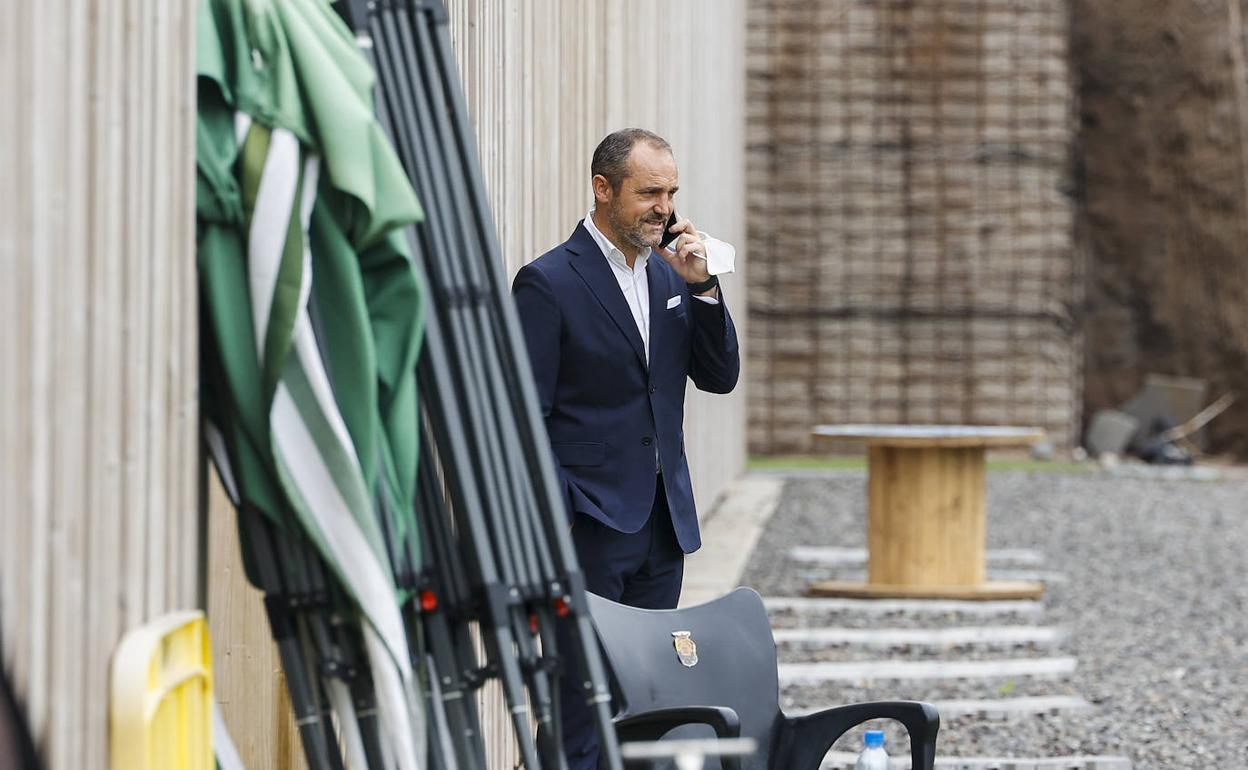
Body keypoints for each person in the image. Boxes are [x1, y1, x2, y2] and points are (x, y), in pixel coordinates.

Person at [512, 128, 741, 768]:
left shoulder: (672, 275)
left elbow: (719, 376)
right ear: (603, 189)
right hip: (589, 526)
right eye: (649, 193)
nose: (663, 208)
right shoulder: (548, 282)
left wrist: (703, 288)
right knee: (581, 703)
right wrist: (563, 519)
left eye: (670, 193)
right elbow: (524, 418)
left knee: (649, 703)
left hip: (663, 528)